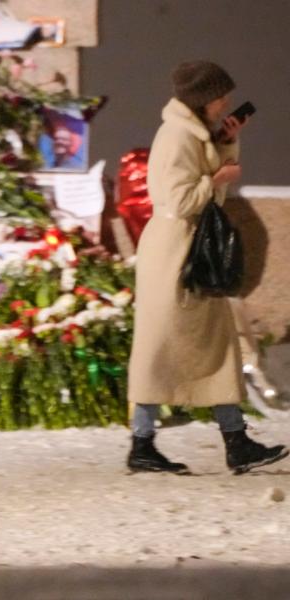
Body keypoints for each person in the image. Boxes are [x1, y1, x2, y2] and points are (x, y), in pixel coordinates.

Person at [126, 60, 287, 475]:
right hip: (175, 252)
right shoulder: (177, 135)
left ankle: (234, 440)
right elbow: (179, 200)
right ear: (204, 100)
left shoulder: (192, 134)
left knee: (216, 343)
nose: (226, 103)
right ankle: (144, 444)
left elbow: (208, 186)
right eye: (221, 98)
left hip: (190, 248)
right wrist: (217, 177)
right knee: (158, 347)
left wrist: (226, 145)